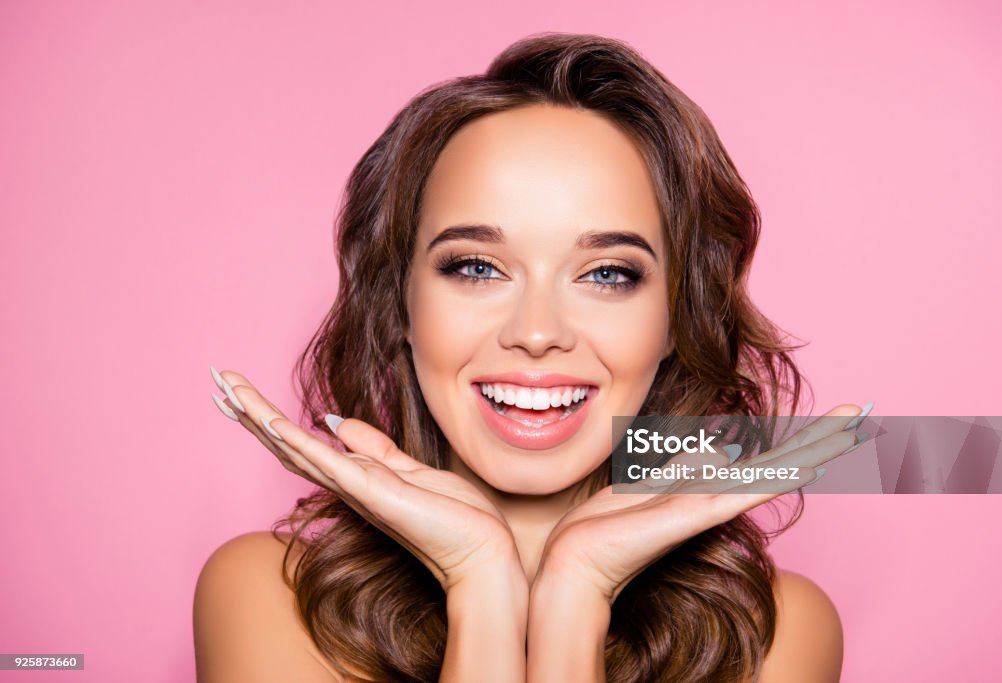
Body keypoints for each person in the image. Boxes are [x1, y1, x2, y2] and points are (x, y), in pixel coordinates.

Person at [194, 32, 860, 682]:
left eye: (607, 273)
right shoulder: (269, 596)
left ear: (674, 320)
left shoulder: (775, 635)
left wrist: (576, 594)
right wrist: (480, 582)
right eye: (478, 266)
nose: (537, 332)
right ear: (399, 306)